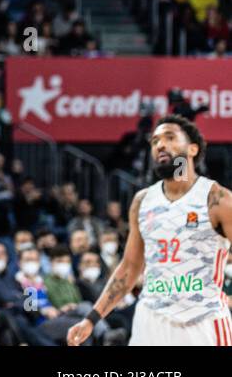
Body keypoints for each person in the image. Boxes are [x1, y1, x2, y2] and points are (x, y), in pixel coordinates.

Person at [69, 115, 232, 346]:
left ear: (193, 149)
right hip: (150, 318)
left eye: (170, 137)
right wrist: (91, 318)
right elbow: (130, 267)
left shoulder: (218, 199)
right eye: (155, 141)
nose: (160, 145)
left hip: (201, 320)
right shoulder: (142, 201)